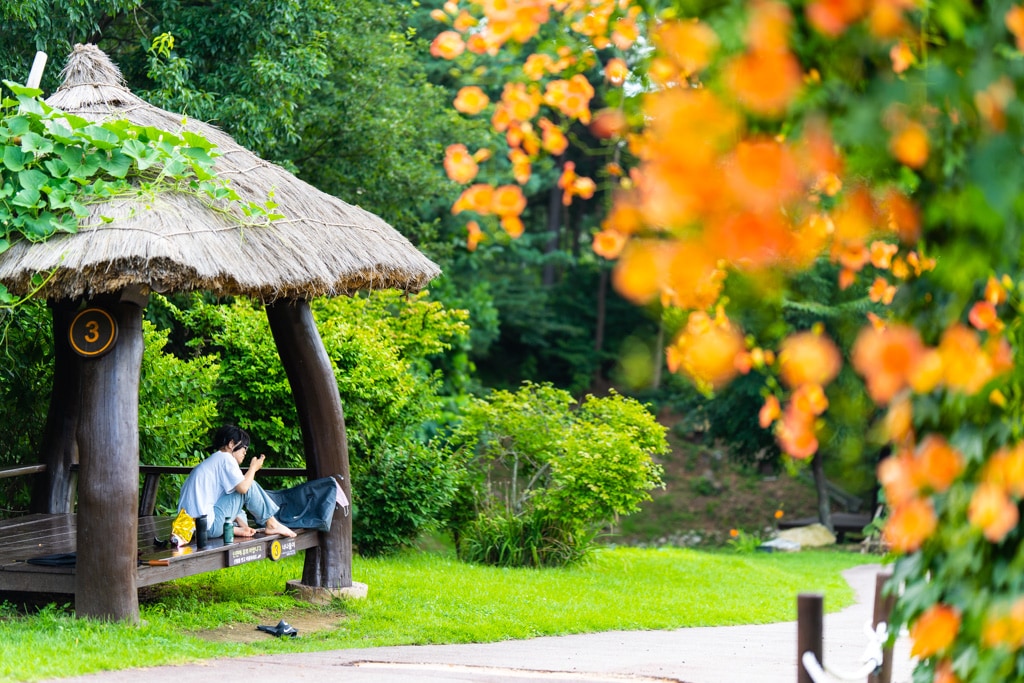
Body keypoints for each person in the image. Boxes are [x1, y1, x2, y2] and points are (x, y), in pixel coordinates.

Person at [178, 425, 298, 539]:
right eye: (244, 447)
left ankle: (236, 528)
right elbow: (244, 488)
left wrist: (244, 526)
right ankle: (272, 524)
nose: (245, 452)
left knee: (237, 488)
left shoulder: (214, 460)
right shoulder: (226, 458)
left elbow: (227, 499)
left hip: (191, 527)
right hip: (208, 527)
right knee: (249, 485)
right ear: (231, 444)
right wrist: (253, 468)